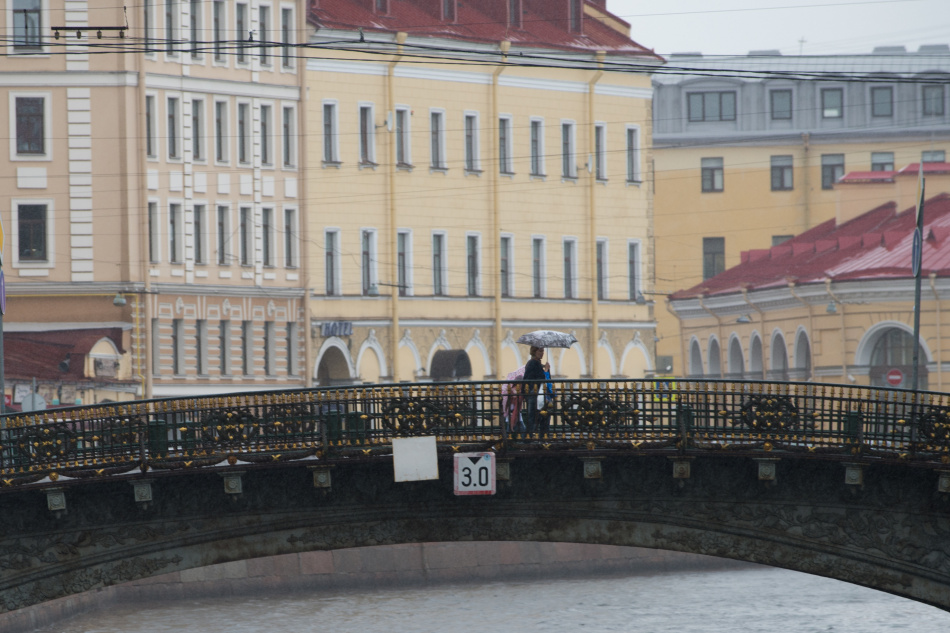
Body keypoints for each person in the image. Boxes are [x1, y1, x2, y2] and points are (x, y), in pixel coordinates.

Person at [522, 346, 546, 434]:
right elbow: (539, 378)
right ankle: (529, 438)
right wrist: (546, 370)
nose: (542, 353)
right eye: (540, 351)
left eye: (543, 351)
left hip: (536, 394)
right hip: (533, 394)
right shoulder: (533, 363)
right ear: (534, 352)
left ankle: (536, 436)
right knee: (532, 418)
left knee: (538, 416)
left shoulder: (536, 363)